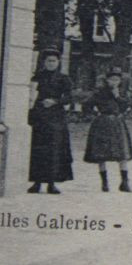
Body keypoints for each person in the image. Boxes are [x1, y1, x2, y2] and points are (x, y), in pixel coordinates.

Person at [27, 50, 74, 194]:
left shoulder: (64, 79)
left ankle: (52, 183)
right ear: (44, 62)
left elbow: (69, 98)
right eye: (48, 61)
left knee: (54, 149)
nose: (51, 63)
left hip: (56, 118)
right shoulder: (38, 77)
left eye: (54, 61)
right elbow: (31, 94)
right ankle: (37, 182)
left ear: (58, 62)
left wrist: (55, 101)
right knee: (38, 149)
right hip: (40, 117)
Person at [84, 67, 132, 192]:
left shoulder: (122, 93)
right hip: (103, 123)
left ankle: (124, 182)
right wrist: (94, 115)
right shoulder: (100, 92)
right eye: (111, 79)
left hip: (117, 123)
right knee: (101, 154)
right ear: (107, 80)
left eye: (117, 79)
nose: (114, 82)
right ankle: (104, 183)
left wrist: (117, 96)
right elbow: (86, 105)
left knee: (122, 153)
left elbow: (126, 106)